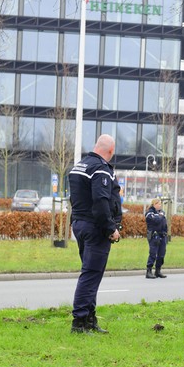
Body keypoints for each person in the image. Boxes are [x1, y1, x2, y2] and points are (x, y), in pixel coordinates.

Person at [68, 134, 122, 334]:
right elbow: (100, 201)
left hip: (80, 225)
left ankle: (90, 319)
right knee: (91, 275)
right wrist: (111, 228)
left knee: (92, 274)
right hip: (95, 228)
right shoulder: (100, 169)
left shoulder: (80, 166)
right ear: (110, 151)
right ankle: (80, 322)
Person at [145, 198, 168, 279]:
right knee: (153, 254)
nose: (160, 205)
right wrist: (160, 216)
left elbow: (164, 222)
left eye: (160, 204)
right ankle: (149, 271)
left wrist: (165, 233)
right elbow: (155, 220)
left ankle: (158, 271)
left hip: (162, 235)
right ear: (154, 204)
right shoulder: (149, 213)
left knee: (161, 254)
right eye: (158, 204)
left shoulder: (161, 212)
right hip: (154, 236)